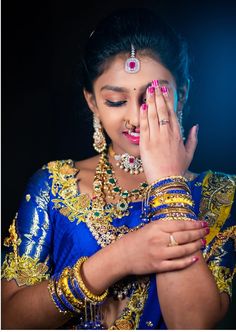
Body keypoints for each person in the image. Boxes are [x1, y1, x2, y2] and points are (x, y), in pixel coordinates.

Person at [2, 7, 236, 330]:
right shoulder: (54, 187)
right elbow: (9, 319)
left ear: (181, 96)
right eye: (115, 101)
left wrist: (168, 183)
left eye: (151, 98)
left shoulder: (219, 196)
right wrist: (121, 258)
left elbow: (192, 323)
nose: (137, 118)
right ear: (92, 102)